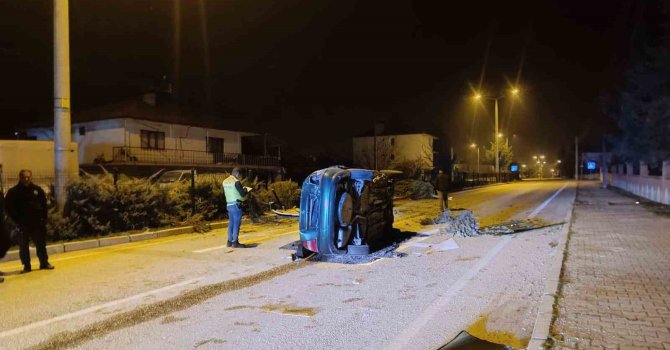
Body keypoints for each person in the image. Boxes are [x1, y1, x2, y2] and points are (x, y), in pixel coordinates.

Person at [5, 170, 54, 273]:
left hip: (37, 223)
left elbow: (44, 205)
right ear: (20, 177)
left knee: (41, 244)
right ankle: (26, 266)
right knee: (23, 246)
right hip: (22, 224)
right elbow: (9, 208)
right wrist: (16, 220)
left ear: (31, 177)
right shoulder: (14, 192)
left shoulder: (37, 190)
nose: (26, 179)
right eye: (24, 177)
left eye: (28, 177)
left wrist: (44, 219)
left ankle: (44, 263)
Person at [222, 168, 253, 248]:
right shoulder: (236, 182)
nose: (239, 176)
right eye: (239, 174)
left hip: (229, 205)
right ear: (237, 174)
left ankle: (229, 241)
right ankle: (235, 242)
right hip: (236, 205)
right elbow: (242, 194)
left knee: (231, 223)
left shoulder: (225, 181)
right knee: (236, 224)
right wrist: (246, 189)